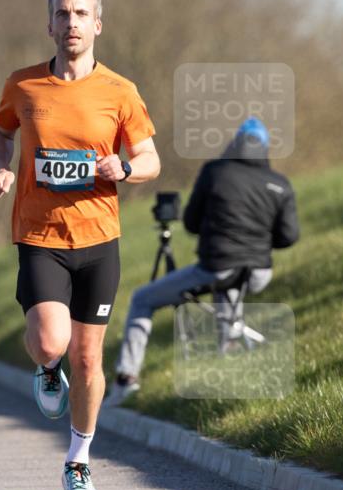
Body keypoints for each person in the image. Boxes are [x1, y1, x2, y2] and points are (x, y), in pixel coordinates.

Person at [0, 0, 160, 490]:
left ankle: (78, 463)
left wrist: (124, 167)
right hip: (40, 236)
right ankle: (44, 368)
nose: (72, 24)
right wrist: (0, 168)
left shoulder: (120, 91)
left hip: (99, 238)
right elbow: (1, 133)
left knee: (88, 360)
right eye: (63, 15)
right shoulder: (24, 86)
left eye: (81, 14)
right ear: (50, 26)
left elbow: (151, 160)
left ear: (97, 25)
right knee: (50, 342)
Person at [105, 117, 299, 405]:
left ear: (235, 144)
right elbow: (289, 236)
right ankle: (229, 355)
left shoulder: (215, 172)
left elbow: (192, 223)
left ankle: (126, 379)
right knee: (231, 283)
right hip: (259, 272)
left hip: (216, 267)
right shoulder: (280, 184)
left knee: (143, 298)